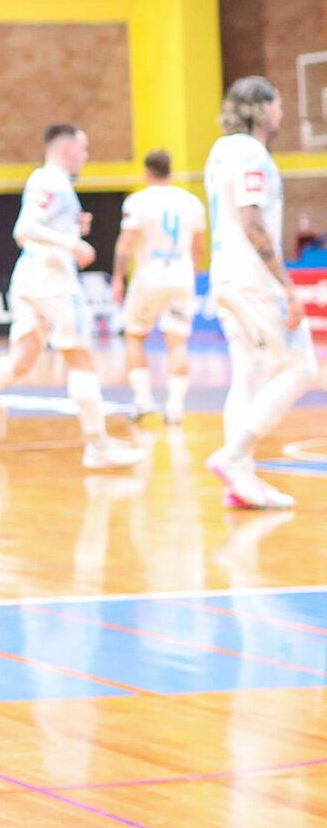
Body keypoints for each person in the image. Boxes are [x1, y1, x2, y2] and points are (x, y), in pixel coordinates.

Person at [0, 126, 141, 468]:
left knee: (21, 359)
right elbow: (24, 228)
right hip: (52, 281)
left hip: (29, 277)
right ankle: (97, 445)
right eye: (84, 148)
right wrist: (72, 243)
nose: (86, 156)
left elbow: (38, 228)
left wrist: (72, 229)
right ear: (68, 148)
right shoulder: (52, 181)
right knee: (82, 359)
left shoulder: (49, 182)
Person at [202, 76, 318, 508]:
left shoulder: (220, 150)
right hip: (253, 279)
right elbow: (252, 221)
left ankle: (241, 483)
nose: (282, 112)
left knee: (248, 372)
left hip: (224, 276)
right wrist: (286, 285)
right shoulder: (252, 154)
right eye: (278, 104)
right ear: (262, 107)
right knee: (302, 368)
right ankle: (234, 457)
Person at [112, 149, 205, 427]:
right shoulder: (191, 202)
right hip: (181, 276)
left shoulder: (137, 201)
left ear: (146, 172)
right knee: (177, 342)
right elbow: (199, 247)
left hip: (149, 277)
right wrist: (190, 273)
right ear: (171, 171)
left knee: (134, 336)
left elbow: (126, 243)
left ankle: (143, 400)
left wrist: (118, 277)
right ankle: (175, 406)